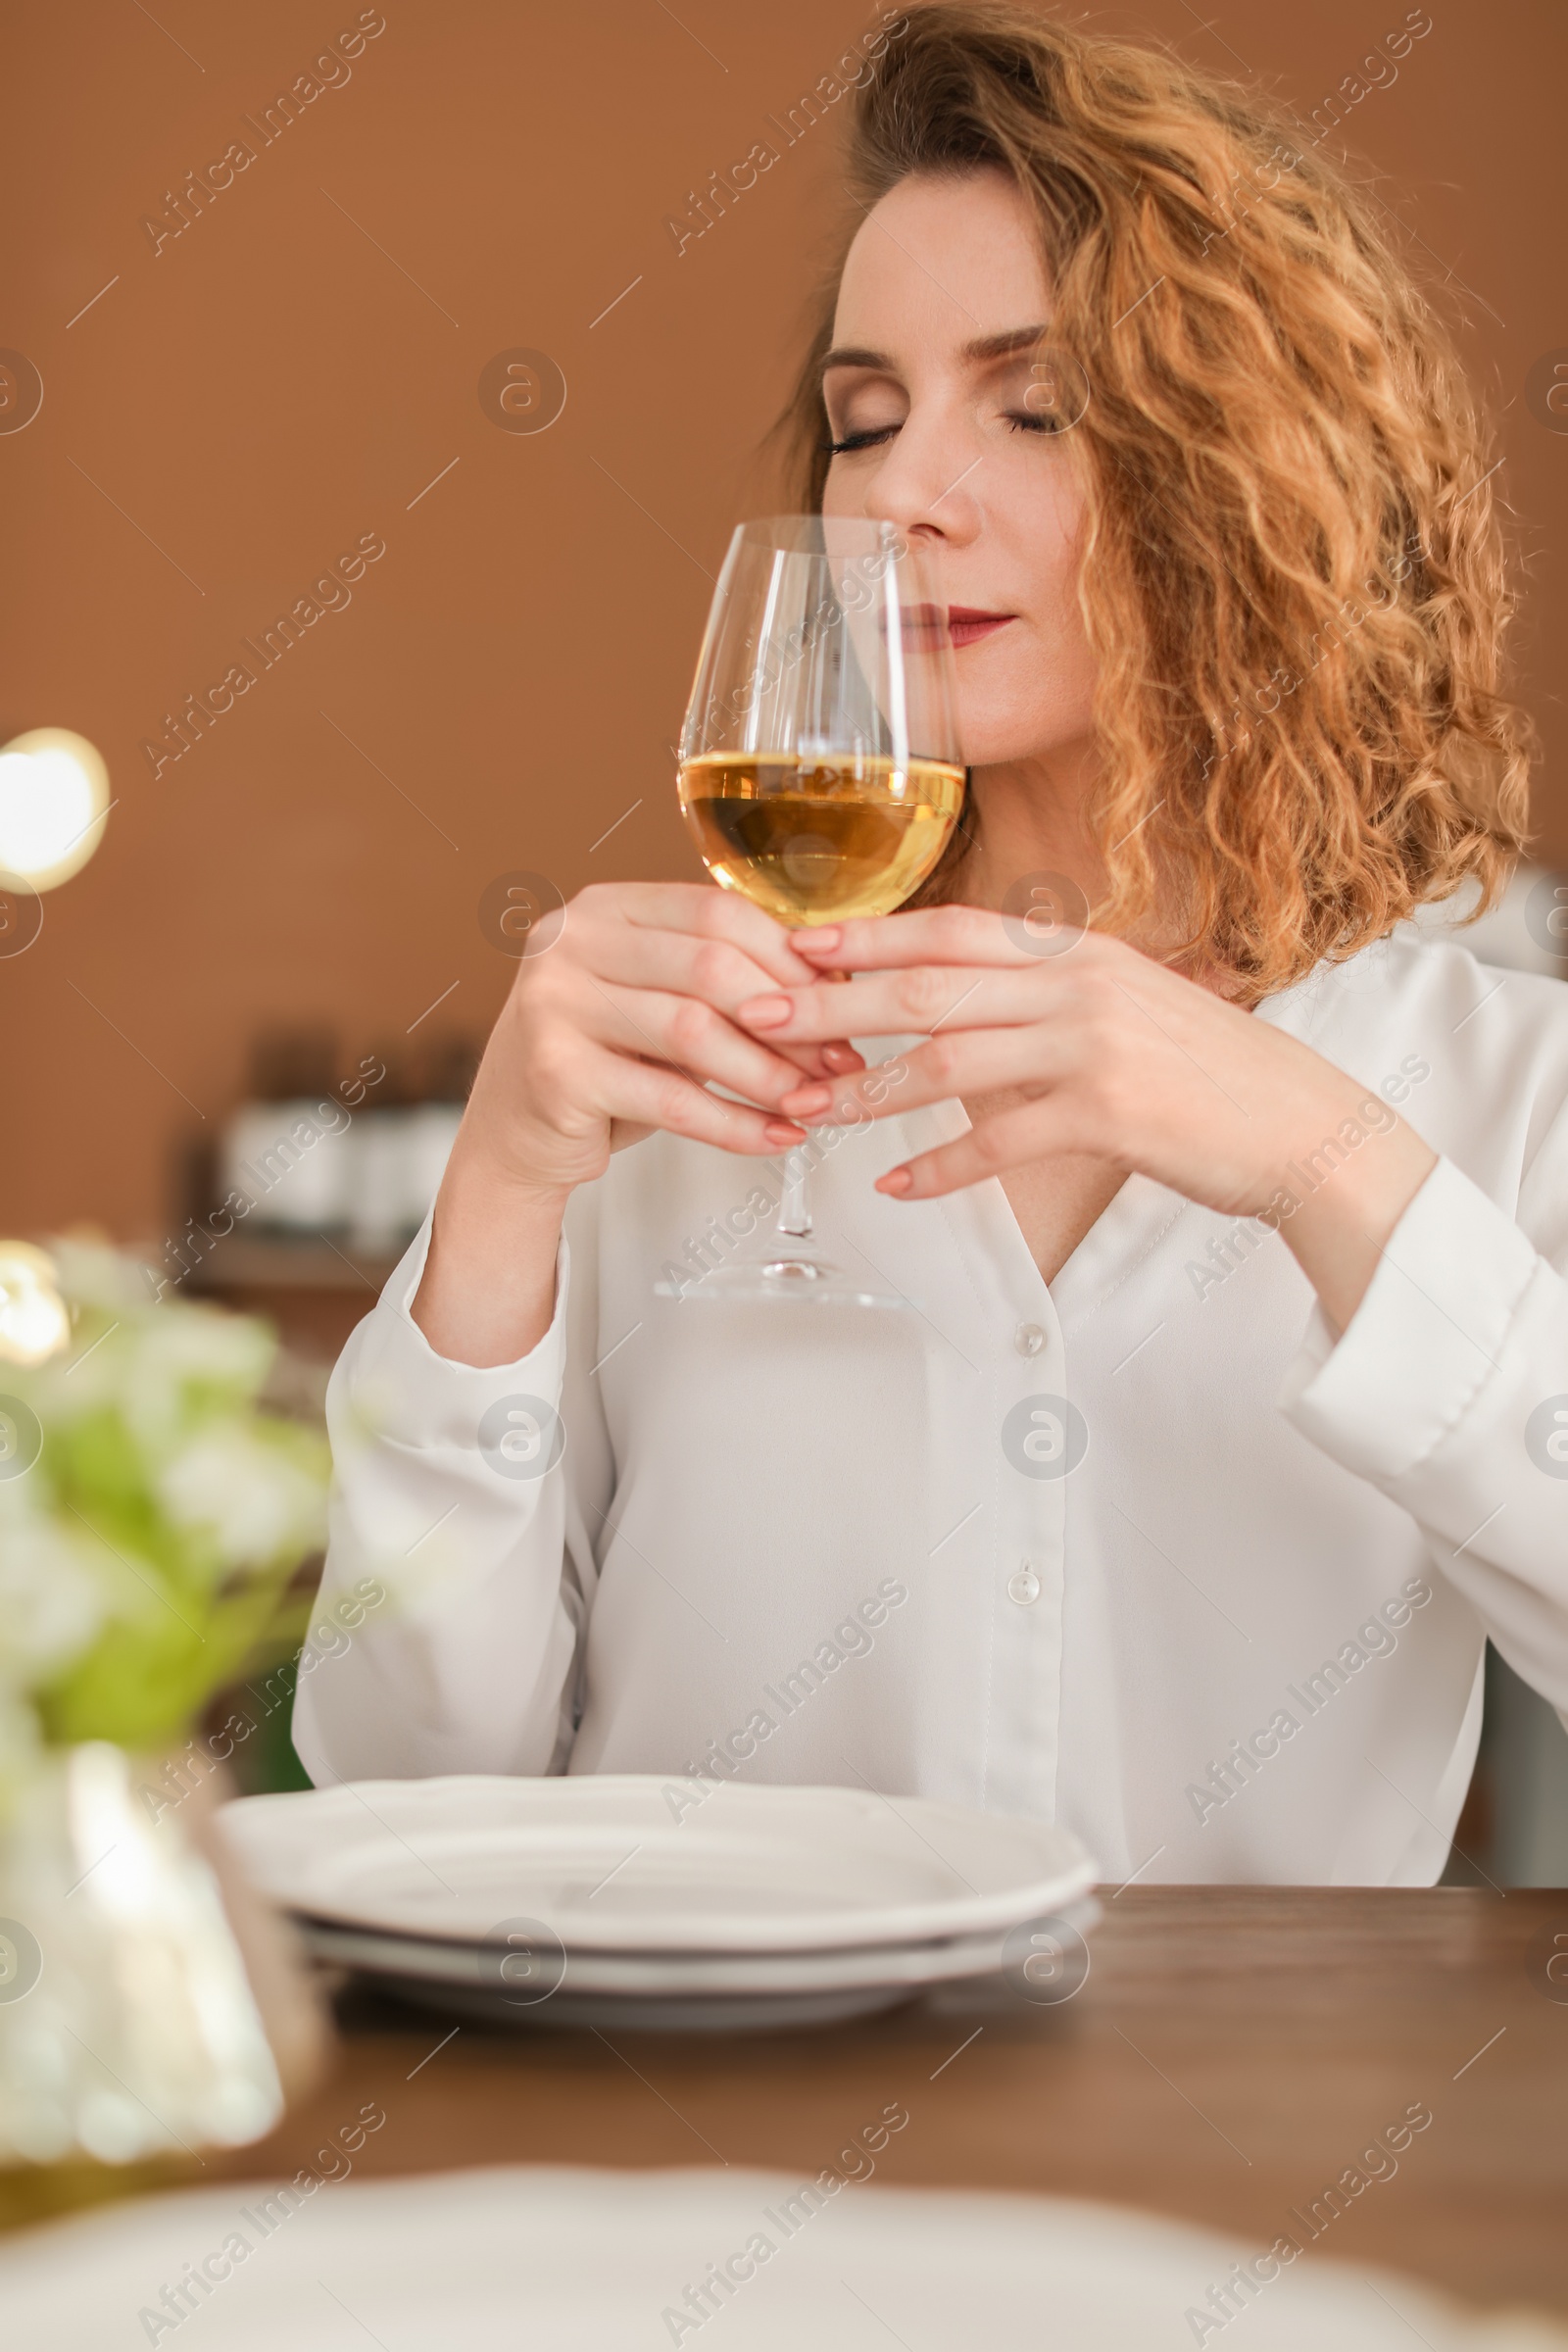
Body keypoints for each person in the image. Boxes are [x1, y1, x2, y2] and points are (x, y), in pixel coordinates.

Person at [293, 3, 1568, 1886]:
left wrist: (1319, 1159)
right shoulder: (682, 1078)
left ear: (1266, 480)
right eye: (863, 417)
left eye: (1034, 407)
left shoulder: (1499, 1088)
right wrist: (495, 1198)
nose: (900, 492)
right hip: (699, 2150)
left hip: (1247, 2176)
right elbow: (403, 1781)